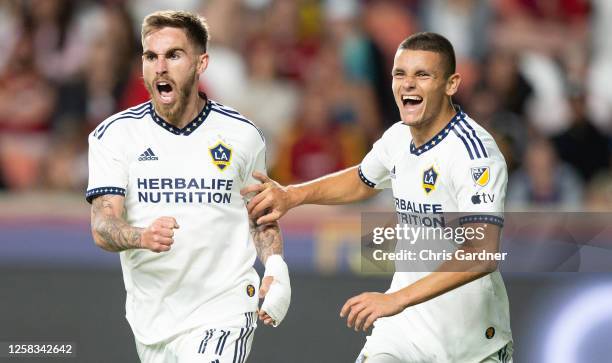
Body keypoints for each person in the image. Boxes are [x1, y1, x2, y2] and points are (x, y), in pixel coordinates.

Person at [242, 32, 513, 362]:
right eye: (400, 74)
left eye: (422, 75)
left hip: (470, 339)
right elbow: (362, 180)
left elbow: (482, 252)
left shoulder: (474, 155)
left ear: (451, 84)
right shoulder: (398, 137)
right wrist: (294, 195)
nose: (408, 85)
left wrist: (396, 299)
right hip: (405, 329)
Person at [86, 10, 290, 363]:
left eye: (174, 55)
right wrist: (141, 237)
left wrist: (275, 268)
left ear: (201, 63)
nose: (160, 67)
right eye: (151, 56)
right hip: (153, 319)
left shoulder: (242, 136)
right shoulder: (114, 136)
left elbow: (258, 216)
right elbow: (103, 226)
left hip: (225, 306)